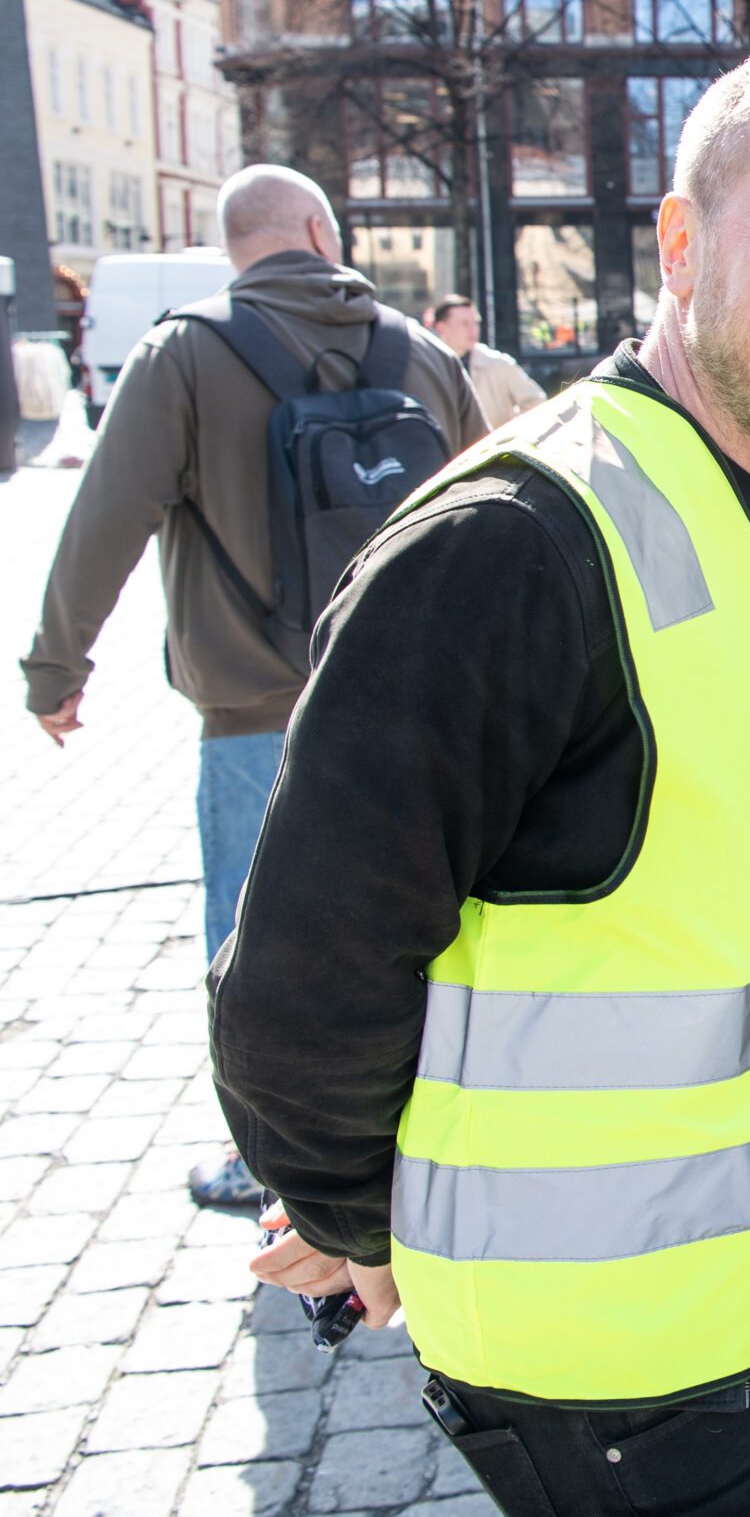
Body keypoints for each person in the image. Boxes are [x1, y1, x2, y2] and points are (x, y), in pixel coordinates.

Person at [211, 47, 750, 1514]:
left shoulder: (743, 499)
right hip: (605, 1368)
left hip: (725, 1315)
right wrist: (367, 1214)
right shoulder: (513, 542)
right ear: (682, 245)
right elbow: (299, 980)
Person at [20, 164, 482, 1210]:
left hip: (254, 712)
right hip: (415, 705)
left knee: (255, 943)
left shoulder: (185, 354)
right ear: (323, 230)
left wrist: (57, 667)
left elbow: (106, 520)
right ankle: (434, 1132)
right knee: (430, 920)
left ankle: (272, 1165)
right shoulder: (417, 352)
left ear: (236, 245)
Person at [425, 293, 547, 427]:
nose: (473, 330)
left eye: (475, 323)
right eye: (464, 324)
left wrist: (512, 436)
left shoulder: (498, 364)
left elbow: (536, 402)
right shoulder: (428, 367)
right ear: (441, 328)